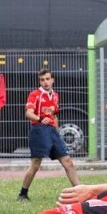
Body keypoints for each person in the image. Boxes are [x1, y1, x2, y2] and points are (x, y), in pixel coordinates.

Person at [18, 68, 81, 201]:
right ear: (39, 81)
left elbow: (54, 115)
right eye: (42, 80)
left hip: (52, 131)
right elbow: (28, 113)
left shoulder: (55, 95)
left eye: (47, 79)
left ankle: (80, 191)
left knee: (68, 161)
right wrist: (40, 118)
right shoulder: (35, 95)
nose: (45, 82)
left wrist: (56, 132)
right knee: (36, 163)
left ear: (52, 80)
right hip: (39, 129)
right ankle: (23, 194)